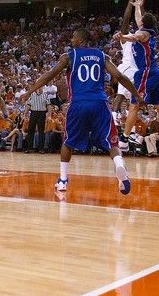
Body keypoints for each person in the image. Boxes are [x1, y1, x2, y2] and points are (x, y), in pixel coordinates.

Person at [22, 28, 143, 194]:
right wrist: (136, 94)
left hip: (78, 103)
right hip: (100, 103)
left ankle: (63, 180)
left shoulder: (69, 56)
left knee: (68, 142)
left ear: (80, 39)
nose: (71, 39)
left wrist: (30, 91)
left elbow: (49, 75)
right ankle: (119, 165)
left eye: (73, 36)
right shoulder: (102, 56)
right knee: (111, 142)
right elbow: (120, 76)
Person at [114, 0, 159, 162]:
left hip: (146, 72)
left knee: (134, 105)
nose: (138, 22)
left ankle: (124, 140)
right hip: (153, 72)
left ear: (143, 25)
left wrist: (122, 36)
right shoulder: (147, 30)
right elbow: (138, 20)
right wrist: (138, 7)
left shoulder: (144, 33)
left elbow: (135, 37)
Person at [111, 0, 138, 131]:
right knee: (121, 95)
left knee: (134, 99)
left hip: (137, 70)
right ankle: (113, 117)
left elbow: (143, 21)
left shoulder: (141, 38)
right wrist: (130, 3)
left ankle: (129, 128)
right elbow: (126, 20)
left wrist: (139, 6)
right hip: (127, 68)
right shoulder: (126, 39)